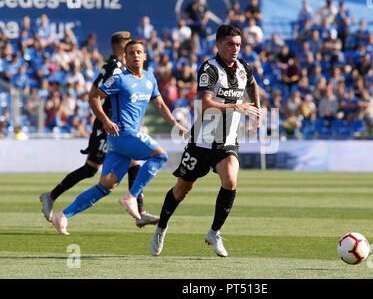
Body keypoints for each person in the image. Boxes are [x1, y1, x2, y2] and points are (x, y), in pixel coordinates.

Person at [50, 39, 188, 235]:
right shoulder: (119, 79)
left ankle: (62, 216)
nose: (136, 56)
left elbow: (160, 105)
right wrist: (106, 120)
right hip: (123, 134)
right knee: (160, 155)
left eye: (139, 52)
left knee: (106, 185)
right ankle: (131, 197)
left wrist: (174, 123)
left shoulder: (149, 78)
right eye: (131, 53)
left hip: (121, 143)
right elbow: (93, 97)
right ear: (125, 57)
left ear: (145, 55)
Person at [150, 25, 261, 257]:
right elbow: (204, 104)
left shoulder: (244, 69)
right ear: (218, 45)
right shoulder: (209, 69)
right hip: (201, 142)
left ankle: (214, 232)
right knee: (182, 189)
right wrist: (235, 105)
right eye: (230, 44)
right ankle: (161, 227)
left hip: (227, 142)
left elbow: (253, 85)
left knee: (231, 179)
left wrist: (258, 110)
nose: (235, 49)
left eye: (238, 44)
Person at [40, 32, 159, 228]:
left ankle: (140, 212)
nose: (134, 53)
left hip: (118, 124)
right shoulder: (115, 67)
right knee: (96, 168)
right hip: (108, 126)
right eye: (130, 48)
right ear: (122, 48)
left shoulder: (115, 65)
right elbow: (96, 94)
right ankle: (140, 211)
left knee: (117, 164)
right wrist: (106, 119)